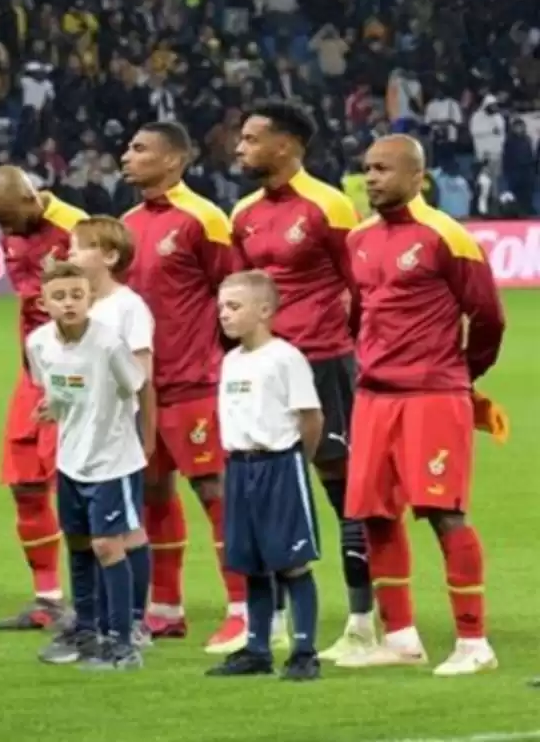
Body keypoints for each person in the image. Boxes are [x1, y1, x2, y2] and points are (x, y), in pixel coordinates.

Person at [339, 135, 505, 676]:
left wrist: (461, 374)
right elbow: (358, 313)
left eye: (384, 169)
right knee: (374, 515)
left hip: (432, 395)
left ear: (417, 176)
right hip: (373, 397)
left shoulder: (447, 236)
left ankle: (474, 643)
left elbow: (489, 317)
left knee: (443, 512)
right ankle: (401, 638)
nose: (372, 178)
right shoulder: (359, 238)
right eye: (368, 168)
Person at [231, 101, 375, 660]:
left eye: (251, 139)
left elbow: (360, 286)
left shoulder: (329, 205)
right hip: (262, 366)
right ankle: (269, 624)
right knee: (262, 487)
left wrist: (344, 348)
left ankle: (362, 621)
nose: (240, 148)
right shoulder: (243, 212)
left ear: (285, 145)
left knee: (342, 487)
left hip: (321, 362)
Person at [120, 122, 243, 649]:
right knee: (152, 492)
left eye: (139, 149)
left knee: (215, 492)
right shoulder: (126, 225)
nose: (126, 156)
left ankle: (243, 608)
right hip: (141, 389)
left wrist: (223, 365)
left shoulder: (204, 219)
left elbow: (233, 294)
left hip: (195, 383)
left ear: (173, 160)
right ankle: (165, 606)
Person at [0, 164, 87, 632]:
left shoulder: (74, 228)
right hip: (32, 375)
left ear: (30, 198)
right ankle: (48, 598)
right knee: (24, 483)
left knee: (79, 487)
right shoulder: (14, 229)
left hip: (76, 375)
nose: (5, 231)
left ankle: (97, 600)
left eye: (9, 219)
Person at [26, 261, 148, 672]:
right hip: (70, 459)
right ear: (43, 304)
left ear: (90, 298)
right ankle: (86, 629)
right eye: (59, 296)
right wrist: (53, 407)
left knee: (107, 546)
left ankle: (123, 642)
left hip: (112, 460)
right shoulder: (38, 343)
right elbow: (55, 390)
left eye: (77, 295)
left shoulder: (109, 343)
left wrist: (124, 428)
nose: (69, 303)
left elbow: (136, 385)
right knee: (78, 542)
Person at [208, 270, 323, 681]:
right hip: (240, 467)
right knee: (251, 562)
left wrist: (297, 462)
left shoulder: (285, 358)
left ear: (264, 311)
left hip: (279, 465)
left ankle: (304, 651)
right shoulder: (231, 361)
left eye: (234, 306)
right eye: (221, 307)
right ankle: (257, 649)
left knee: (292, 563)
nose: (224, 314)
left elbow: (311, 417)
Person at [67, 216, 156, 647]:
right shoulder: (79, 307)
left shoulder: (127, 307)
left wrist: (146, 433)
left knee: (124, 530)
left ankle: (133, 622)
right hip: (78, 429)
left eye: (79, 246)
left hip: (117, 429)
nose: (70, 254)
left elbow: (141, 374)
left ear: (110, 255)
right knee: (85, 531)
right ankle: (93, 622)